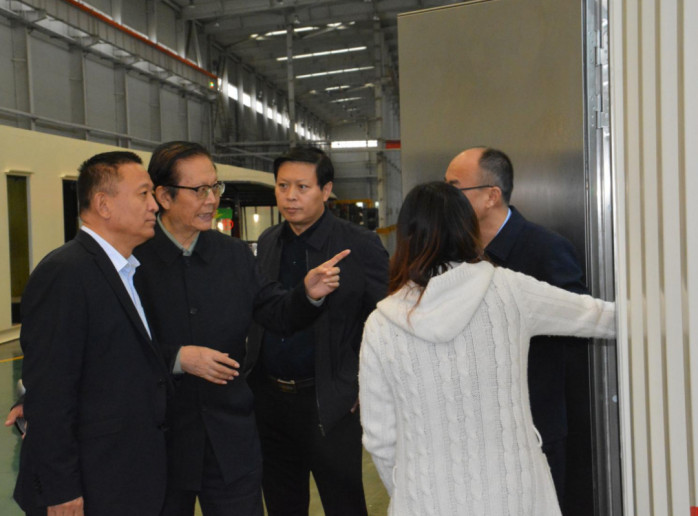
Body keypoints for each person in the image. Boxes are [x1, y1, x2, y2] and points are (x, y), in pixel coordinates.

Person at [359, 181, 615, 516]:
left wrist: (409, 493)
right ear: (469, 229)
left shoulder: (381, 325)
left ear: (405, 237)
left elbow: (380, 438)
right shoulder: (510, 290)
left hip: (425, 500)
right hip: (515, 494)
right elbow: (598, 317)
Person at [133, 141, 348, 516]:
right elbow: (114, 347)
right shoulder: (134, 261)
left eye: (215, 187)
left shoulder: (232, 255)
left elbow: (274, 311)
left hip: (229, 440)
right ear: (164, 196)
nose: (212, 200)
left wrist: (307, 295)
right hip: (160, 440)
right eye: (199, 190)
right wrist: (177, 358)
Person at [14, 151, 170, 515]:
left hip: (126, 476)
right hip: (90, 486)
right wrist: (61, 490)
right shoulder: (66, 273)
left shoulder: (129, 272)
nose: (154, 205)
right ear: (103, 204)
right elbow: (51, 393)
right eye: (143, 194)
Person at [247, 146, 389, 516]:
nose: (290, 196)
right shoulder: (269, 241)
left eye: (302, 187)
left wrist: (361, 381)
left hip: (329, 401)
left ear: (326, 191)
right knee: (282, 503)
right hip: (271, 401)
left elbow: (385, 320)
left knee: (343, 504)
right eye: (282, 186)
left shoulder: (358, 245)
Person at [444, 146, 586, 503]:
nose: (444, 200)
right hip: (470, 428)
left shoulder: (546, 249)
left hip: (533, 425)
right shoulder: (452, 251)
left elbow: (576, 322)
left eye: (454, 189)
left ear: (491, 196)